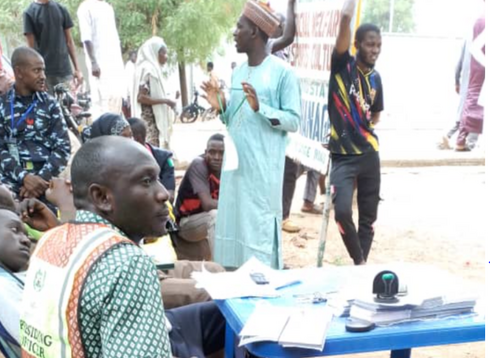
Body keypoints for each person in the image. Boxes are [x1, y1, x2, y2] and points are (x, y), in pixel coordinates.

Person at [20, 136, 225, 358]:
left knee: (218, 315)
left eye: (157, 179)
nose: (163, 193)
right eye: (146, 181)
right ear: (102, 197)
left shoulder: (51, 239)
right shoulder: (126, 263)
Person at [201, 0, 301, 269]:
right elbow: (234, 120)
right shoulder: (239, 73)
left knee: (259, 233)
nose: (234, 32)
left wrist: (262, 108)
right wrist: (220, 106)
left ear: (255, 31)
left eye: (239, 27)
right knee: (233, 229)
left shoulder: (283, 74)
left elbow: (293, 120)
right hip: (236, 171)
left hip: (262, 172)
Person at [328, 0, 384, 265]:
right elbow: (345, 19)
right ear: (356, 44)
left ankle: (358, 268)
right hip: (343, 156)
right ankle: (360, 262)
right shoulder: (342, 65)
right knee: (341, 212)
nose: (374, 50)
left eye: (378, 45)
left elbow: (376, 114)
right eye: (370, 44)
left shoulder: (376, 79)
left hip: (370, 155)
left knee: (368, 219)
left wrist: (363, 129)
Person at [0, 47, 71, 200]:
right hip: (10, 184)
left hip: (45, 184)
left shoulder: (50, 104)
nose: (43, 76)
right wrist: (24, 177)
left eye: (43, 71)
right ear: (19, 72)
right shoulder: (2, 105)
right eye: (37, 71)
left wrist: (39, 182)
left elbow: (63, 148)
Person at [174, 134, 224, 261]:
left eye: (222, 153)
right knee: (216, 216)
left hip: (205, 223)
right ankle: (220, 267)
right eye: (212, 152)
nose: (217, 158)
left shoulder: (229, 168)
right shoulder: (199, 165)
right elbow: (207, 204)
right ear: (206, 152)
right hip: (186, 224)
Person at [23, 0, 83, 94]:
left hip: (65, 72)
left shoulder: (61, 9)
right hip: (45, 75)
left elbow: (69, 42)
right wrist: (38, 76)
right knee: (48, 106)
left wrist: (77, 70)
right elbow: (32, 50)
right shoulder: (29, 13)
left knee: (69, 105)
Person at [77, 0, 125, 117]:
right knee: (103, 105)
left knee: (116, 102)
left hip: (114, 65)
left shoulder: (108, 7)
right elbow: (86, 38)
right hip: (100, 66)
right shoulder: (85, 7)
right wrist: (94, 62)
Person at [132, 36, 176, 149]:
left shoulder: (153, 68)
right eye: (164, 53)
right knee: (151, 150)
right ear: (155, 52)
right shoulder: (148, 69)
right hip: (149, 121)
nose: (166, 57)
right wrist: (165, 101)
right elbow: (141, 97)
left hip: (154, 120)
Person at [456, 15, 485, 151]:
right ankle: (461, 141)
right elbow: (475, 48)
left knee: (472, 101)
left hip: (477, 70)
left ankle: (461, 140)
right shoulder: (483, 22)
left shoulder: (479, 22)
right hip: (480, 70)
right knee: (473, 102)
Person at [128, 117, 175, 201]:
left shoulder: (164, 158)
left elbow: (169, 196)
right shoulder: (121, 162)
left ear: (137, 139)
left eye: (124, 140)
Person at [123, 50, 137, 118]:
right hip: (129, 95)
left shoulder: (135, 66)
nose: (135, 58)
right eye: (134, 56)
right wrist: (128, 96)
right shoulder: (129, 66)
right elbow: (127, 82)